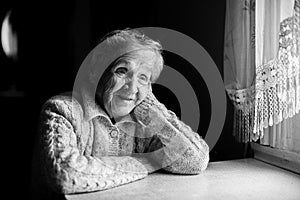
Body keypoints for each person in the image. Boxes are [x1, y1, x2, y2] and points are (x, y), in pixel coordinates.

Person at [38, 29, 209, 194]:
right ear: (95, 72)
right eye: (122, 71)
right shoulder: (61, 110)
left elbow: (195, 161)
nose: (132, 88)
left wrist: (153, 108)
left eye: (143, 77)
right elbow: (66, 175)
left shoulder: (146, 120)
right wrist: (144, 163)